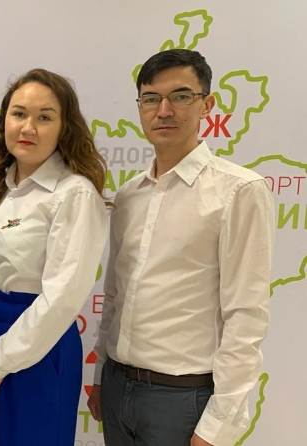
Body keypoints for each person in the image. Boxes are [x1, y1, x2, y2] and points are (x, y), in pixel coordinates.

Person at [87, 49, 275, 446]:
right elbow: (115, 296)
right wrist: (100, 375)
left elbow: (246, 314)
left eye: (181, 96)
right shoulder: (128, 195)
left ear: (207, 104)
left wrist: (218, 424)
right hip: (118, 387)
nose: (164, 110)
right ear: (140, 107)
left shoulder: (239, 191)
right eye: (151, 99)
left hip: (183, 400)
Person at [0, 68, 109, 446]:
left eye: (44, 117)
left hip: (38, 347)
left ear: (64, 128)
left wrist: (1, 360)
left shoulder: (73, 194)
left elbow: (63, 298)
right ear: (4, 121)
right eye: (19, 114)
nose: (28, 127)